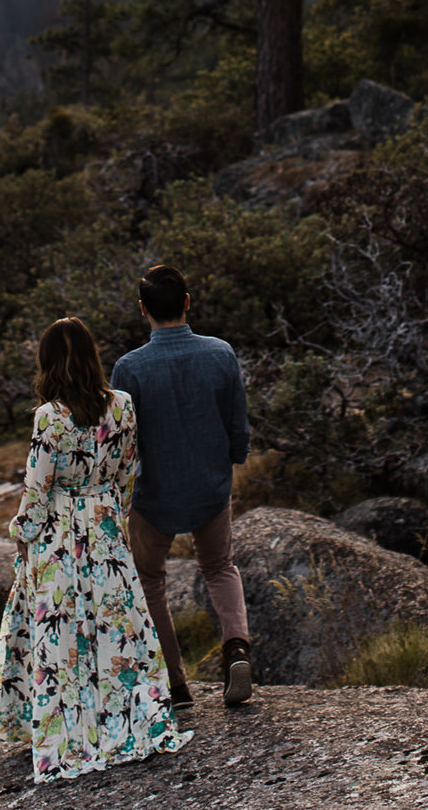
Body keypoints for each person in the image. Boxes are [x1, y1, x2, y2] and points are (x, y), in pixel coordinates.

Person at [0, 315, 188, 784]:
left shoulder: (50, 416)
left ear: (47, 364)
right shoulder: (122, 405)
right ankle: (128, 723)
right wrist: (110, 516)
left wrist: (21, 532)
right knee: (116, 631)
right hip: (105, 531)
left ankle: (67, 735)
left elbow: (36, 491)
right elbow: (126, 475)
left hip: (58, 535)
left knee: (62, 636)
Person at [108, 262, 253, 708]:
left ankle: (175, 684)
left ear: (142, 309)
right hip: (210, 486)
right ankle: (236, 648)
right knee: (220, 567)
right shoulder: (220, 353)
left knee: (150, 580)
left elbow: (122, 443)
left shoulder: (129, 369)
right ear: (187, 302)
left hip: (154, 496)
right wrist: (231, 459)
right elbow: (238, 426)